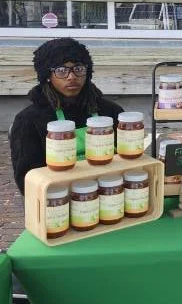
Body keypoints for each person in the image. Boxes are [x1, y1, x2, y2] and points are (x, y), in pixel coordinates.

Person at [10, 37, 124, 193]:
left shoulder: (110, 112)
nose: (71, 77)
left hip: (111, 193)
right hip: (59, 201)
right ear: (47, 76)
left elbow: (129, 160)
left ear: (87, 72)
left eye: (78, 68)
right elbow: (28, 179)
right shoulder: (29, 121)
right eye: (61, 70)